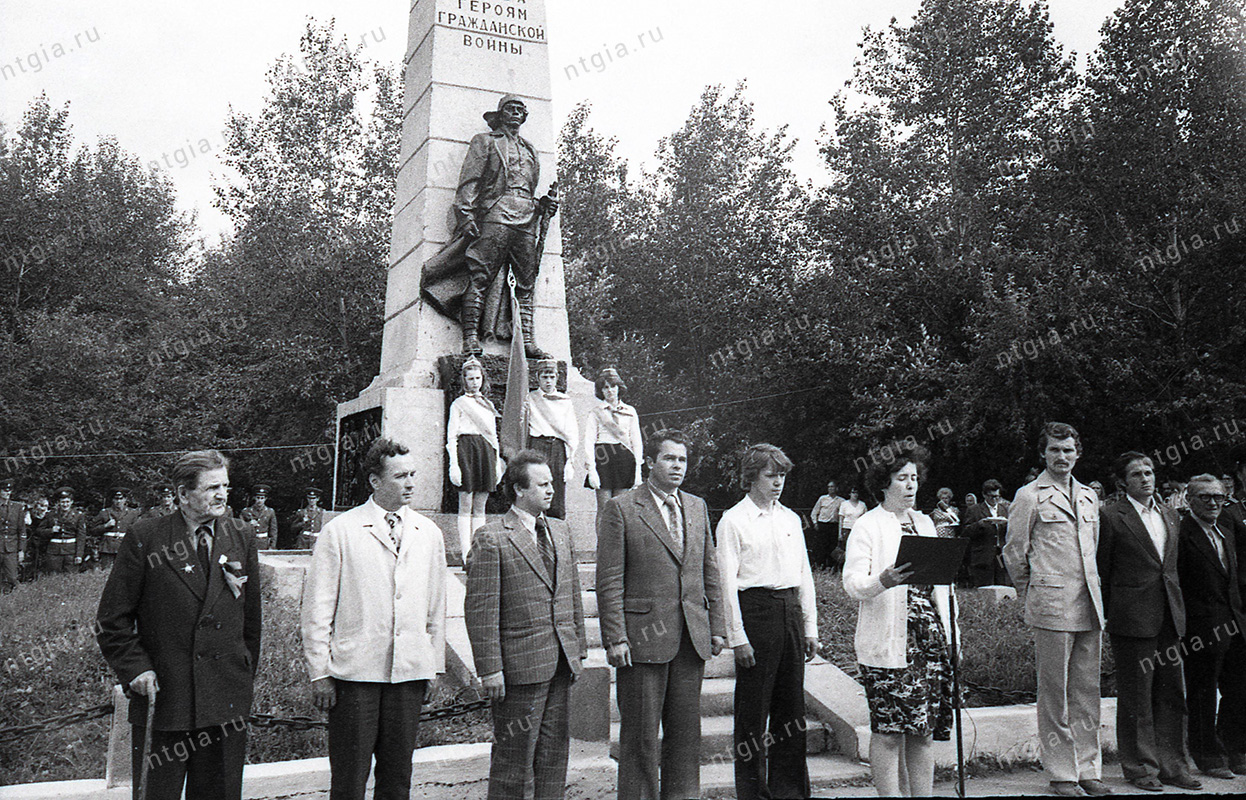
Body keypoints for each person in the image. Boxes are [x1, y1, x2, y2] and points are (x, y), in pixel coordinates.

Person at [96, 450, 261, 800]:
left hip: (224, 702)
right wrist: (136, 669)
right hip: (166, 698)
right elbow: (112, 619)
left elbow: (251, 621)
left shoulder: (241, 535)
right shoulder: (147, 536)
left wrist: (243, 677)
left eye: (225, 487)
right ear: (183, 494)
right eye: (211, 487)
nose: (222, 495)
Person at [301, 438, 447, 800]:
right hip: (356, 676)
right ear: (375, 482)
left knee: (397, 779)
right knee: (350, 780)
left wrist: (434, 666)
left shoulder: (429, 534)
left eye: (412, 474)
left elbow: (436, 608)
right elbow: (317, 609)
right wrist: (320, 672)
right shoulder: (341, 531)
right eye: (400, 476)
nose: (410, 483)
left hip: (409, 674)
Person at [596, 429, 727, 800]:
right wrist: (616, 637)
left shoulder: (697, 507)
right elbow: (608, 580)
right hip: (641, 640)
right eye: (669, 459)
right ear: (649, 463)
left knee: (686, 737)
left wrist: (716, 627)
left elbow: (709, 570)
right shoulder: (620, 508)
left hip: (691, 638)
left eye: (682, 460)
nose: (677, 466)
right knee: (639, 739)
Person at [464, 450, 587, 800]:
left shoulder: (561, 531)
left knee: (553, 757)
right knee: (513, 761)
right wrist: (490, 670)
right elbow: (481, 610)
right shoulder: (492, 537)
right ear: (519, 489)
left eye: (552, 483)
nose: (551, 490)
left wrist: (577, 649)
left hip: (560, 663)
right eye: (543, 484)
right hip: (518, 669)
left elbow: (571, 593)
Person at [843, 444, 956, 798]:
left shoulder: (925, 523)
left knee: (922, 732)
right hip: (889, 643)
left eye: (914, 478)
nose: (910, 485)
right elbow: (852, 584)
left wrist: (954, 641)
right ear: (883, 482)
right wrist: (884, 580)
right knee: (890, 732)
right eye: (901, 478)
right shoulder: (867, 525)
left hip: (930, 641)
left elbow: (945, 589)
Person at [1003, 422, 1109, 797]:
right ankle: (1063, 773)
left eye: (1068, 450)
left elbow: (1091, 550)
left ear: (1078, 452)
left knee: (1086, 691)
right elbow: (1014, 551)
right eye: (1054, 450)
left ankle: (1088, 769)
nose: (1061, 457)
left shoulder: (1088, 497)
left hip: (1089, 605)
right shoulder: (1030, 495)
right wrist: (1031, 591)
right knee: (1054, 693)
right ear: (1043, 454)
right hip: (1051, 605)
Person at [420, 94, 559, 358]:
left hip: (527, 218)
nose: (516, 113)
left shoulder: (530, 149)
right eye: (510, 109)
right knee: (480, 276)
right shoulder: (484, 141)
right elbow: (469, 182)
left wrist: (543, 207)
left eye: (520, 110)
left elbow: (527, 188)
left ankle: (527, 340)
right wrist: (467, 216)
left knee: (526, 282)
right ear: (500, 115)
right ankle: (471, 337)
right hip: (496, 215)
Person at [716, 444, 818, 800]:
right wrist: (737, 637)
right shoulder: (733, 521)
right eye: (770, 475)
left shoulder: (790, 518)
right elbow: (726, 583)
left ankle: (790, 791)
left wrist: (810, 627)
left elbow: (804, 574)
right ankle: (754, 793)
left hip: (789, 610)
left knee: (792, 710)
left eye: (782, 476)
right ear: (751, 477)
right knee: (753, 712)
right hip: (755, 612)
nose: (778, 483)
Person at [1096, 453, 1198, 791]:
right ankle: (1140, 768)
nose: (1145, 478)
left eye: (1149, 472)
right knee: (1136, 697)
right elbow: (1102, 570)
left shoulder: (1170, 514)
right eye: (1137, 474)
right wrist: (1115, 612)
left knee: (1172, 693)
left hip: (1170, 614)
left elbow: (1172, 567)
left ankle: (1173, 765)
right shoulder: (1111, 516)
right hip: (1132, 618)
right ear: (1122, 481)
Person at [1177, 474, 1246, 779]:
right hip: (1201, 626)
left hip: (1234, 622)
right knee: (1203, 690)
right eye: (1205, 497)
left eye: (1218, 497)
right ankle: (1206, 753)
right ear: (1189, 500)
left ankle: (1234, 748)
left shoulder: (1226, 532)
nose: (1213, 503)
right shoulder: (1181, 534)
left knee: (1237, 687)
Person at [447, 356, 504, 559]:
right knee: (466, 501)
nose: (474, 382)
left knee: (480, 505)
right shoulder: (458, 404)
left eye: (478, 378)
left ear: (483, 379)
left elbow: (493, 436)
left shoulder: (488, 405)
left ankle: (478, 552)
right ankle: (465, 553)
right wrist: (454, 463)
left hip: (485, 451)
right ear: (464, 380)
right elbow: (452, 435)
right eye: (470, 378)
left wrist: (497, 463)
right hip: (466, 450)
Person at [583, 367, 643, 521]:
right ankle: (602, 545)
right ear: (601, 390)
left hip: (624, 459)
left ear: (619, 387)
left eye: (613, 386)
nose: (610, 391)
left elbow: (636, 441)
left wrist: (638, 472)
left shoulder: (630, 411)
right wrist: (592, 470)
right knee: (604, 509)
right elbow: (589, 441)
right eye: (605, 387)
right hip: (604, 459)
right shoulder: (596, 412)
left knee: (621, 510)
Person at [524, 360, 578, 520]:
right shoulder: (530, 398)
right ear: (538, 378)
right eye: (544, 377)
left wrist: (570, 460)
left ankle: (556, 535)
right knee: (535, 488)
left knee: (556, 491)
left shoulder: (565, 401)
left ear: (557, 378)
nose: (548, 381)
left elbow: (571, 431)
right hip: (537, 445)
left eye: (551, 377)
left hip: (557, 448)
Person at [962, 479, 1011, 587]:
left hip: (1001, 554)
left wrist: (1008, 524)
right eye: (991, 497)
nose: (994, 499)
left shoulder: (1005, 509)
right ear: (984, 495)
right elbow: (965, 532)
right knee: (985, 589)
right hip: (983, 555)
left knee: (1003, 588)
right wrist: (979, 524)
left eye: (997, 496)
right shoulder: (974, 510)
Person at [90, 488, 140, 570]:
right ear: (112, 500)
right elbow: (92, 530)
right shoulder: (105, 512)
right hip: (107, 547)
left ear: (125, 499)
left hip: (125, 546)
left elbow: (137, 531)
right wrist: (105, 526)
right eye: (116, 499)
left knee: (124, 572)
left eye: (121, 499)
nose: (119, 501)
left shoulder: (132, 513)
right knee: (106, 572)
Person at [45, 487, 86, 574]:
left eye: (67, 502)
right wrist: (51, 530)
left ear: (72, 502)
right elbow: (39, 531)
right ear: (58, 502)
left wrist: (79, 555)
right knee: (53, 578)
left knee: (70, 578)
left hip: (71, 551)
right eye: (62, 502)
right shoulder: (51, 515)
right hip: (54, 552)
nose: (65, 504)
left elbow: (81, 536)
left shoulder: (78, 516)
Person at [809, 480, 844, 569]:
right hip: (823, 525)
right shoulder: (822, 499)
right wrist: (815, 523)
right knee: (821, 546)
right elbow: (814, 512)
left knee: (832, 547)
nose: (830, 489)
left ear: (837, 488)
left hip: (833, 526)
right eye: (829, 487)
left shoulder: (841, 501)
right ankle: (821, 566)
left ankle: (832, 567)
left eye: (832, 487)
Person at [0, 478, 26, 592]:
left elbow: (22, 530)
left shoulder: (17, 507)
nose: (8, 493)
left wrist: (21, 550)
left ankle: (13, 598)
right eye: (5, 490)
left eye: (9, 490)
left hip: (11, 547)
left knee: (12, 577)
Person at [240, 483, 277, 549]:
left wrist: (272, 546)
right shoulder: (246, 511)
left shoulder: (270, 511)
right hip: (249, 542)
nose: (260, 501)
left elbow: (273, 530)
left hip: (264, 543)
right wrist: (248, 524)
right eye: (258, 498)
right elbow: (239, 528)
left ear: (265, 499)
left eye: (262, 498)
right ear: (254, 498)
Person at [24, 493, 52, 578]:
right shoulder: (30, 516)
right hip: (32, 544)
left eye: (46, 506)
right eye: (42, 506)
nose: (44, 509)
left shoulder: (49, 517)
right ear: (37, 506)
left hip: (45, 543)